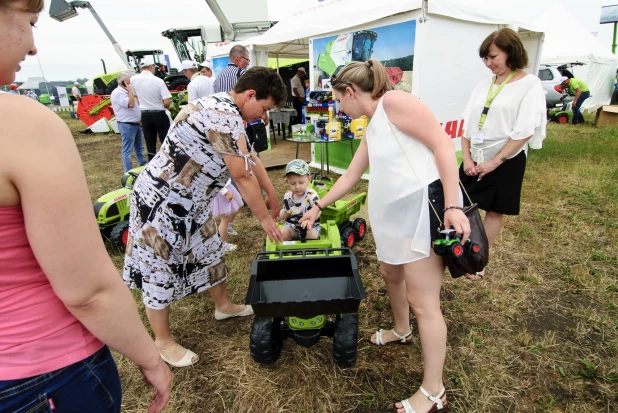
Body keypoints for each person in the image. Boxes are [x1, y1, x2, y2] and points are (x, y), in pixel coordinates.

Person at [0, 1, 171, 412]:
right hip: (40, 372)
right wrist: (150, 358)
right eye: (29, 22)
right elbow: (87, 291)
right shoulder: (23, 125)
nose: (33, 46)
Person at [301, 59, 470, 413]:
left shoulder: (395, 102)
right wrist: (318, 205)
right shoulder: (374, 123)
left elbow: (442, 144)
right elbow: (351, 175)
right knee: (391, 274)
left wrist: (453, 206)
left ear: (351, 92)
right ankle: (400, 329)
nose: (339, 109)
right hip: (391, 218)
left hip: (418, 215)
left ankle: (434, 390)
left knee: (425, 303)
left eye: (339, 101)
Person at [123, 66, 287, 368]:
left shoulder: (232, 113)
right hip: (164, 202)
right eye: (263, 108)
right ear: (250, 94)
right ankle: (162, 342)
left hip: (195, 203)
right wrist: (264, 218)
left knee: (210, 251)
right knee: (160, 269)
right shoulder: (221, 112)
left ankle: (223, 306)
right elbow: (241, 174)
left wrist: (272, 193)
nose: (263, 117)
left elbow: (251, 158)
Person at [459, 28, 546, 280]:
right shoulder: (482, 85)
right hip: (475, 156)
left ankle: (478, 259)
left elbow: (525, 131)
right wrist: (467, 157)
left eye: (493, 57)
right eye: (485, 58)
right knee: (459, 202)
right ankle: (456, 249)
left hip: (506, 159)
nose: (488, 63)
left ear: (511, 52)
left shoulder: (529, 85)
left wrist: (496, 162)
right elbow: (467, 124)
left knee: (494, 211)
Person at [131, 56, 172, 161]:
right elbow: (167, 102)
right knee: (164, 139)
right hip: (158, 112)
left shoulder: (133, 79)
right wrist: (163, 106)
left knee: (149, 141)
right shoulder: (158, 80)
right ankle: (166, 160)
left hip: (145, 113)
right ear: (151, 67)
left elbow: (137, 97)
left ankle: (151, 162)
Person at [110, 73, 147, 172]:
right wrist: (130, 91)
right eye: (129, 83)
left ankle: (143, 166)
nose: (131, 84)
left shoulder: (128, 92)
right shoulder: (118, 93)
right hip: (127, 125)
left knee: (139, 149)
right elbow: (130, 104)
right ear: (123, 83)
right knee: (127, 150)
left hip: (136, 123)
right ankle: (128, 171)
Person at [279, 159, 321, 241]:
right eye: (293, 183)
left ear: (309, 179)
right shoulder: (288, 196)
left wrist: (310, 220)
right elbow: (286, 211)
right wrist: (274, 217)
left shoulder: (311, 195)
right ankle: (292, 239)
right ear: (287, 182)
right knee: (282, 234)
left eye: (301, 182)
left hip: (310, 226)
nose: (297, 187)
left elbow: (319, 209)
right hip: (292, 226)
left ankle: (299, 240)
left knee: (313, 235)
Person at [211, 178, 243, 252]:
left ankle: (228, 227)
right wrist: (225, 192)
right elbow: (213, 180)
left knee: (236, 206)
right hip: (221, 191)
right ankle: (222, 244)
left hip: (228, 186)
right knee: (225, 218)